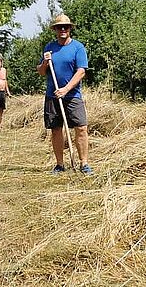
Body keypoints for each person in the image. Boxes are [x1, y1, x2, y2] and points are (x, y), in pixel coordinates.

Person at [36, 14, 93, 175]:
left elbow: (81, 72)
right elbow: (41, 72)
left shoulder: (78, 48)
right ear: (55, 29)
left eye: (65, 27)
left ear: (70, 29)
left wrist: (66, 89)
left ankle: (84, 164)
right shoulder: (49, 47)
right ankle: (60, 164)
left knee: (81, 128)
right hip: (52, 96)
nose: (62, 29)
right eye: (59, 27)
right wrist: (45, 62)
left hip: (72, 95)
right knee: (55, 129)